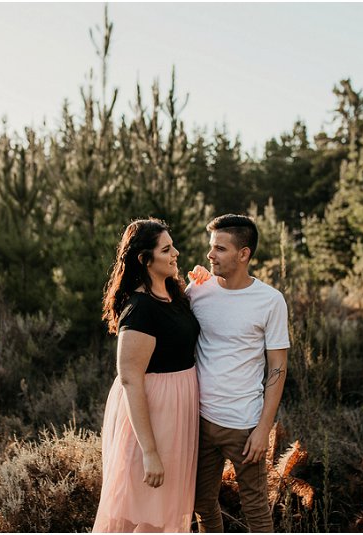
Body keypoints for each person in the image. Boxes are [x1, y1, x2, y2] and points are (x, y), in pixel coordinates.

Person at [93, 218, 201, 533]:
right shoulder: (140, 308)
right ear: (145, 260)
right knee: (140, 511)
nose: (176, 253)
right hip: (151, 414)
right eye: (166, 249)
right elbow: (129, 378)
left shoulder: (173, 293)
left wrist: (204, 282)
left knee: (162, 510)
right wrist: (149, 451)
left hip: (177, 411)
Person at [187, 214, 290, 533]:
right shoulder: (198, 290)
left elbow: (277, 367)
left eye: (219, 248)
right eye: (210, 247)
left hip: (244, 426)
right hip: (199, 421)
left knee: (256, 512)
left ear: (243, 254)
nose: (210, 255)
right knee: (201, 503)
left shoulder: (270, 301)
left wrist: (263, 429)